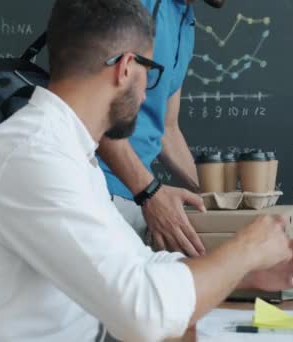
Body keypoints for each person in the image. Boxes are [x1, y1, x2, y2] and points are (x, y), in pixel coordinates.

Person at [0, 1, 293, 341]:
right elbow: (143, 316)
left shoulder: (67, 153)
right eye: (150, 72)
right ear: (126, 68)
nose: (149, 92)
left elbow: (140, 262)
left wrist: (243, 275)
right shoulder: (35, 157)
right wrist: (245, 250)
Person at [97, 0, 225, 257]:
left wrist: (217, 196)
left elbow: (168, 128)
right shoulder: (134, 5)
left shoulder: (185, 20)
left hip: (137, 198)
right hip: (98, 193)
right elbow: (95, 110)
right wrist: (149, 192)